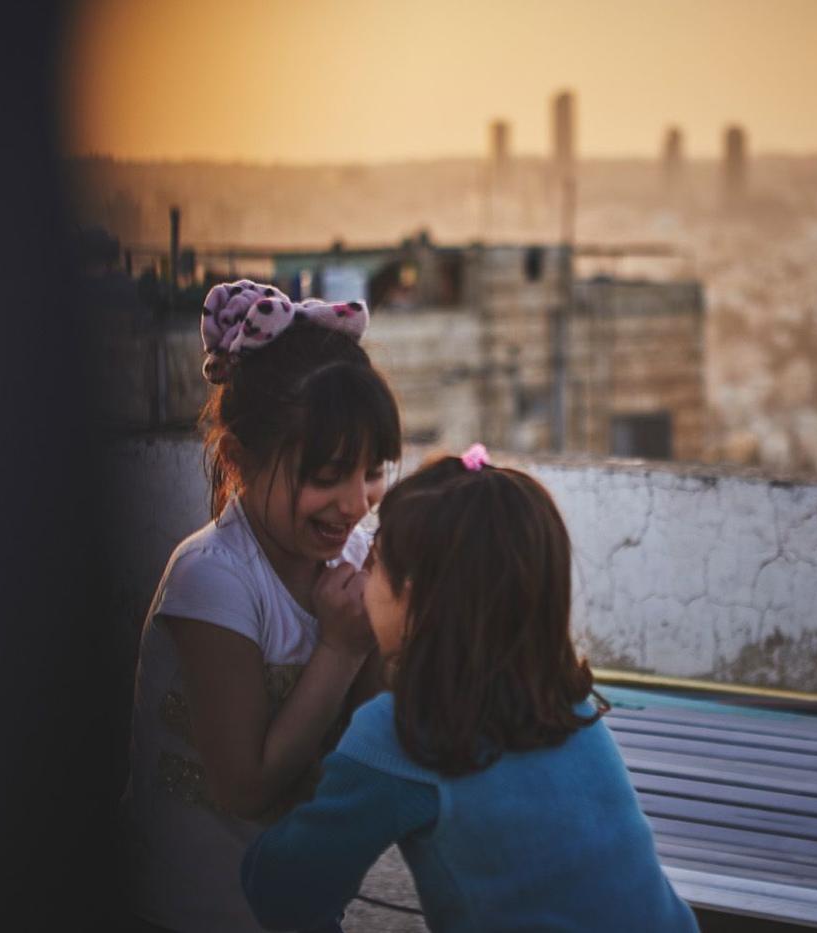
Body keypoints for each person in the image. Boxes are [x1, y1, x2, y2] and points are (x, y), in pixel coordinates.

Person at [240, 446, 699, 932]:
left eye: (375, 560)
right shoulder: (565, 701)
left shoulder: (404, 730)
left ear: (411, 597)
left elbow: (278, 887)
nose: (362, 575)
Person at [121, 279, 401, 932]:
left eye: (372, 471)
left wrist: (393, 626)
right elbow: (244, 787)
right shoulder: (213, 580)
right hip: (191, 910)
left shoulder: (354, 554)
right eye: (326, 475)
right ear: (241, 459)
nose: (356, 503)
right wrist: (342, 645)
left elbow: (365, 737)